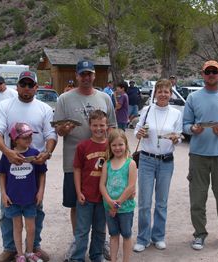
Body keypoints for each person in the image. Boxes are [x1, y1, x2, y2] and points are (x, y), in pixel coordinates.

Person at [53, 60, 117, 261]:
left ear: (94, 75)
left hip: (102, 162)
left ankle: (100, 242)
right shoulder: (64, 98)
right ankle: (78, 241)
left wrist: (116, 152)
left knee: (102, 202)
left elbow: (113, 126)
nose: (86, 78)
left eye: (89, 74)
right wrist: (64, 129)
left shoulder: (105, 98)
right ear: (77, 75)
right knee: (76, 202)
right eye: (83, 74)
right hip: (75, 162)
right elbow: (58, 129)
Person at [0, 71, 57, 262]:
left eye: (31, 85)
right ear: (17, 86)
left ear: (36, 87)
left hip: (35, 166)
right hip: (13, 164)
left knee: (36, 209)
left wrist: (46, 153)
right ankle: (10, 249)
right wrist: (7, 152)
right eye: (23, 84)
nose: (27, 88)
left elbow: (51, 135)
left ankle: (33, 247)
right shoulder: (5, 106)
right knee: (7, 212)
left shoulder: (44, 108)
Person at [183, 60, 218, 251]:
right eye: (207, 71)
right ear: (202, 74)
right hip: (198, 156)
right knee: (197, 199)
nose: (211, 75)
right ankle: (199, 234)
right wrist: (192, 129)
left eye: (214, 71)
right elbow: (185, 125)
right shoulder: (193, 98)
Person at [133, 79, 182, 252]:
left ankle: (158, 236)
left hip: (166, 161)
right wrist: (139, 133)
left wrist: (177, 138)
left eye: (166, 91)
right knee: (145, 202)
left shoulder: (176, 113)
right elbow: (137, 131)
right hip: (146, 160)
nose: (163, 94)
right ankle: (143, 238)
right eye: (159, 91)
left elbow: (179, 135)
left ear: (171, 94)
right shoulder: (146, 110)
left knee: (161, 202)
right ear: (155, 93)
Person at [0, 123, 47, 262]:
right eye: (25, 137)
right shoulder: (8, 155)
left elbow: (42, 173)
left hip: (30, 198)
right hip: (13, 199)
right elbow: (2, 175)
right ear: (15, 139)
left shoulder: (35, 153)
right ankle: (19, 254)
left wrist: (41, 191)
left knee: (31, 228)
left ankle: (30, 252)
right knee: (17, 227)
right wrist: (3, 194)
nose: (29, 139)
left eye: (30, 136)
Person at [70, 110, 108, 262]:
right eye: (95, 125)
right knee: (82, 230)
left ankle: (96, 254)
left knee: (100, 230)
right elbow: (77, 169)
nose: (99, 128)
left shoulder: (111, 146)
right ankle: (77, 257)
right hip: (86, 196)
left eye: (102, 125)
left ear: (107, 125)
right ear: (89, 126)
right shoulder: (83, 146)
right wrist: (78, 191)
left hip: (103, 197)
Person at [100, 129, 137, 262]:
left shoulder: (131, 163)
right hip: (108, 206)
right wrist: (110, 202)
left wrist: (117, 204)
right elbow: (102, 185)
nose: (117, 148)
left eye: (120, 144)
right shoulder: (107, 164)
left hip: (125, 207)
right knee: (113, 234)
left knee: (126, 234)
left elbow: (131, 186)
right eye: (114, 145)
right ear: (110, 146)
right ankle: (113, 259)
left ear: (126, 145)